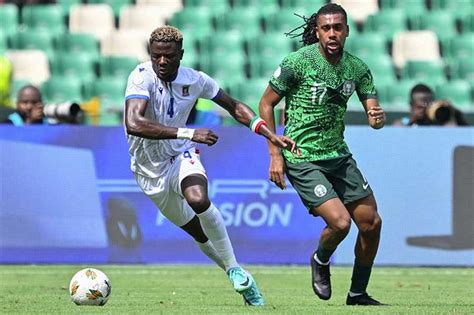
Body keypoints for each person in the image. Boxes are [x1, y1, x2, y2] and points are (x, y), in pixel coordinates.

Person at [124, 26, 299, 306]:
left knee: (199, 198)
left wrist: (269, 134)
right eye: (156, 56)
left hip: (180, 155)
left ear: (181, 54)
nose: (162, 62)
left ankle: (236, 271)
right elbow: (134, 123)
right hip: (148, 171)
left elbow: (234, 106)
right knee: (197, 232)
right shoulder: (140, 77)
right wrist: (189, 132)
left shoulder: (196, 80)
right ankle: (233, 270)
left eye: (169, 56)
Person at [258, 4, 386, 306]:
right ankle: (320, 259)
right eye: (326, 28)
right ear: (317, 31)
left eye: (337, 27)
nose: (332, 33)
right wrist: (274, 153)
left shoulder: (357, 68)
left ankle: (357, 294)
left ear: (346, 31)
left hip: (338, 155)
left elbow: (373, 112)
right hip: (302, 156)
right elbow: (266, 104)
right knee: (341, 223)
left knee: (371, 223)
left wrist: (376, 118)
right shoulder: (297, 62)